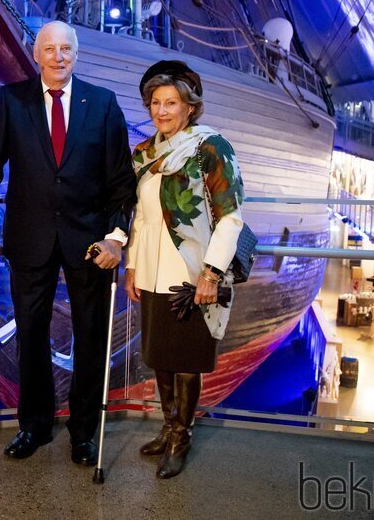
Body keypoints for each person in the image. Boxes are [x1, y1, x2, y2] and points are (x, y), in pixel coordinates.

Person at [0, 20, 136, 466]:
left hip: (90, 244)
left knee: (91, 337)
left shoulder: (102, 104)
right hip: (29, 239)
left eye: (66, 49)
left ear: (75, 53)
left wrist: (117, 238)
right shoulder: (12, 101)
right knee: (30, 336)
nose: (58, 56)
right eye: (49, 49)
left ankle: (84, 434)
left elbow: (121, 180)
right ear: (36, 53)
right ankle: (34, 425)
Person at [124, 60, 245, 478]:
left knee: (188, 360)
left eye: (171, 102)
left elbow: (231, 217)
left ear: (189, 107)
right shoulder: (144, 152)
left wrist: (211, 273)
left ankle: (182, 435)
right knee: (160, 356)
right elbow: (139, 216)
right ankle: (168, 425)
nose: (161, 110)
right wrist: (132, 266)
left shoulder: (211, 147)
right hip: (153, 271)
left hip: (193, 275)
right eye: (155, 102)